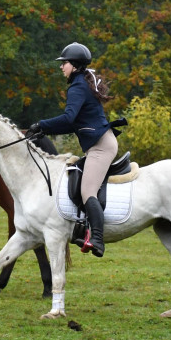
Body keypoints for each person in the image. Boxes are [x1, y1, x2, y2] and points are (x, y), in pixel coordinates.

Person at [26, 42, 117, 257]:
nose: (61, 67)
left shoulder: (78, 86)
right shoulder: (81, 82)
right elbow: (72, 123)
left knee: (87, 191)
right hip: (99, 143)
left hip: (101, 147)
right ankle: (82, 227)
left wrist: (42, 124)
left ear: (74, 65)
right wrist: (44, 130)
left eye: (64, 63)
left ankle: (97, 239)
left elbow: (68, 118)